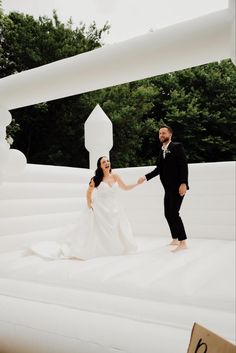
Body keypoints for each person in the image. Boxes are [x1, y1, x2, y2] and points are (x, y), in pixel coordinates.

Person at [30, 156, 138, 260]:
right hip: (101, 209)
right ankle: (98, 249)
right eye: (103, 162)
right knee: (98, 230)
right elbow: (89, 192)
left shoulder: (116, 176)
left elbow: (125, 187)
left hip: (114, 208)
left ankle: (113, 248)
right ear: (100, 166)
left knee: (115, 229)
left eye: (107, 161)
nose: (106, 163)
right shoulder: (96, 179)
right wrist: (89, 205)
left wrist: (137, 183)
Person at [138, 125, 189, 252]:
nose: (161, 135)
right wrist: (145, 177)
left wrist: (183, 183)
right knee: (167, 214)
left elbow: (183, 166)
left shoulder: (177, 147)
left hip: (178, 187)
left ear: (170, 134)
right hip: (168, 189)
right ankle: (175, 238)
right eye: (160, 133)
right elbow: (158, 170)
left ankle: (183, 242)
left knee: (174, 213)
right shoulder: (162, 151)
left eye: (164, 133)